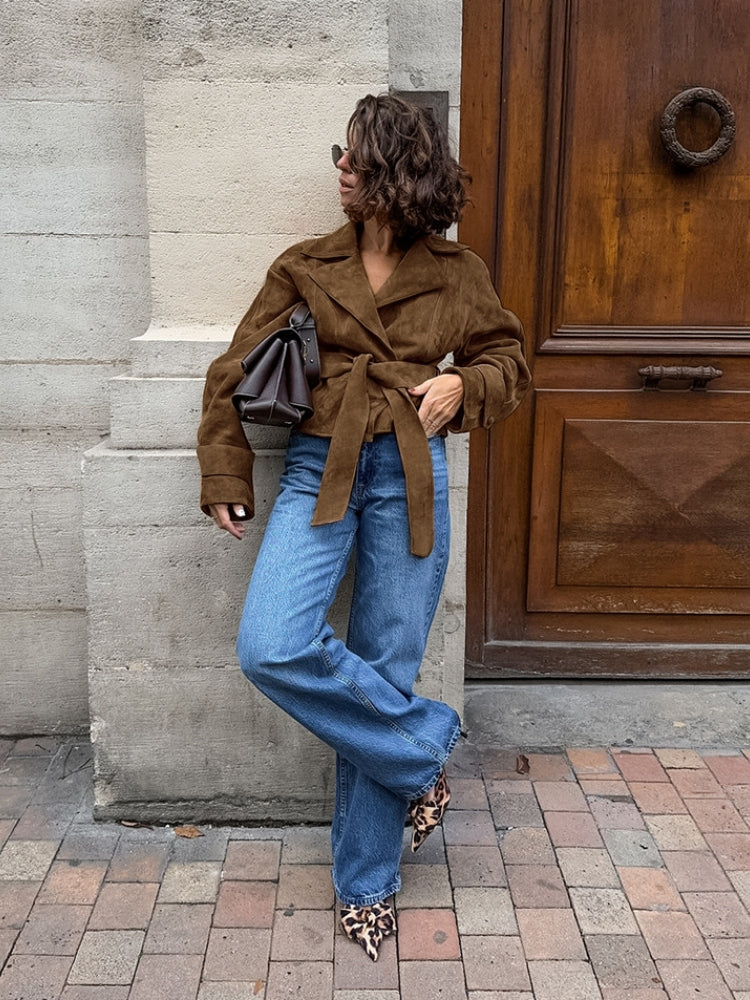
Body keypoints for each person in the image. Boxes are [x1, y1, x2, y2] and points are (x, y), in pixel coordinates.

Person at [197, 93, 531, 961]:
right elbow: (230, 371)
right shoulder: (305, 264)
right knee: (270, 644)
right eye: (338, 155)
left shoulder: (458, 272)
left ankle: (367, 885)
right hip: (321, 467)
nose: (339, 169)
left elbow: (509, 362)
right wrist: (225, 471)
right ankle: (424, 749)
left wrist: (462, 386)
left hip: (412, 474)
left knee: (382, 667)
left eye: (353, 156)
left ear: (392, 167)